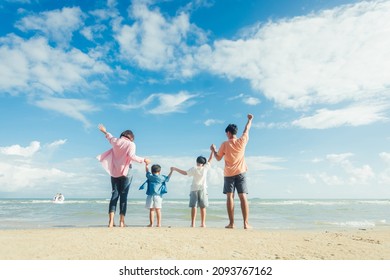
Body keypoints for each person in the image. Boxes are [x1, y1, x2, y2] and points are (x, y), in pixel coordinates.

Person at [97, 124, 150, 228]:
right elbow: (131, 156)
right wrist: (143, 160)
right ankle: (122, 222)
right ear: (131, 137)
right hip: (126, 172)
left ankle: (111, 222)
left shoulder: (116, 141)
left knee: (114, 196)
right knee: (123, 196)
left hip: (114, 172)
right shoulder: (131, 144)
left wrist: (104, 131)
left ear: (122, 135)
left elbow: (109, 136)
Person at [211, 114, 253, 229]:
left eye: (226, 133)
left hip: (229, 174)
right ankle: (246, 223)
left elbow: (218, 158)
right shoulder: (242, 141)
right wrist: (250, 120)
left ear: (229, 133)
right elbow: (247, 129)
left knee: (230, 197)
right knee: (243, 196)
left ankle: (231, 223)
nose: (226, 134)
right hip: (241, 172)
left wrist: (214, 150)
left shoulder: (224, 144)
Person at [171, 147, 213, 228]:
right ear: (204, 163)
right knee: (202, 207)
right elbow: (210, 159)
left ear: (197, 162)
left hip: (194, 189)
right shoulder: (205, 168)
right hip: (203, 189)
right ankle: (203, 223)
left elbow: (185, 173)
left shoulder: (194, 168)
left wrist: (175, 169)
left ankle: (193, 223)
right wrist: (212, 151)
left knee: (194, 206)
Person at [141, 163, 173, 227]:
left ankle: (151, 224)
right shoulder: (162, 178)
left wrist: (146, 165)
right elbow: (168, 178)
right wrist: (171, 171)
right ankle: (159, 224)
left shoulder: (150, 176)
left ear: (152, 171)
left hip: (150, 195)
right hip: (158, 196)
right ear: (159, 171)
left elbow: (147, 171)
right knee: (158, 209)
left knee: (151, 210)